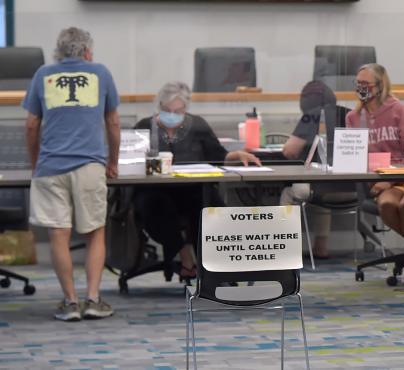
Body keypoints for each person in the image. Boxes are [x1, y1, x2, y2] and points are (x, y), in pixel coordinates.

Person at [23, 27, 121, 321]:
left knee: (58, 234)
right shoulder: (100, 73)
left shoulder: (43, 74)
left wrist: (35, 161)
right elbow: (113, 123)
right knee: (94, 233)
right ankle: (92, 299)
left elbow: (30, 125)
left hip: (51, 167)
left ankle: (69, 303)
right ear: (88, 52)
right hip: (90, 166)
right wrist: (112, 161)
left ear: (59, 52)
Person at [133, 81, 260, 280]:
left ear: (186, 109)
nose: (172, 114)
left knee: (207, 204)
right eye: (167, 110)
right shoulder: (143, 128)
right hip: (154, 190)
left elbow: (218, 155)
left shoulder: (198, 125)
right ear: (159, 107)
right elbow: (130, 161)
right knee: (157, 206)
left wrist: (237, 155)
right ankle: (183, 252)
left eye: (178, 110)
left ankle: (217, 267)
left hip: (192, 189)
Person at [345, 63, 404, 284]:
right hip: (385, 180)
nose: (361, 88)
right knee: (387, 206)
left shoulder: (398, 110)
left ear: (380, 86)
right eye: (358, 84)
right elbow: (356, 156)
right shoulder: (353, 118)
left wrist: (388, 182)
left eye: (365, 84)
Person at [280, 81, 350, 260]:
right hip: (353, 188)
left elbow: (290, 151)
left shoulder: (311, 116)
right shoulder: (349, 113)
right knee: (321, 186)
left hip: (321, 188)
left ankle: (284, 247)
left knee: (292, 192)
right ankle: (321, 246)